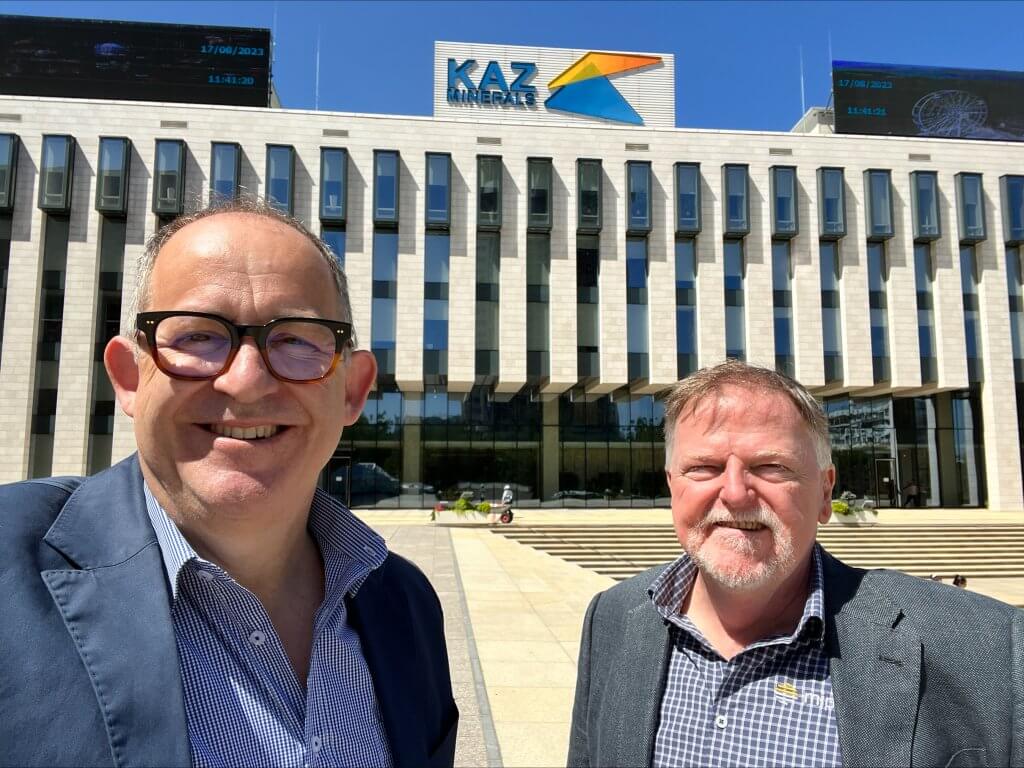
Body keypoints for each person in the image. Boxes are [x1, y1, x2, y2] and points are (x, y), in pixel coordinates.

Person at [1, 198, 458, 767]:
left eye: (295, 338)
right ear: (127, 378)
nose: (246, 382)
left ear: (352, 390)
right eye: (196, 337)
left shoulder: (405, 604)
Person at [567, 360, 1022, 768]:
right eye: (703, 467)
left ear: (825, 493)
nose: (734, 493)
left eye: (771, 467)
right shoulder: (609, 620)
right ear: (672, 486)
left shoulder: (991, 650)